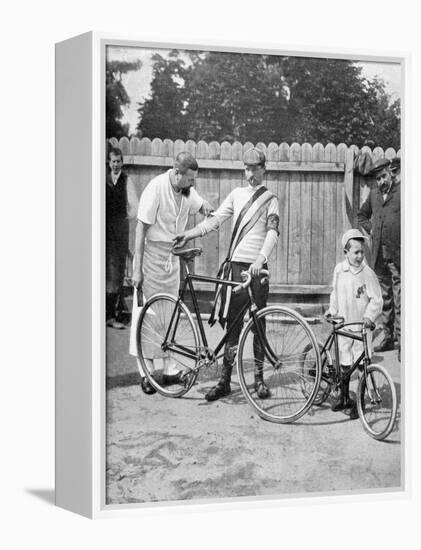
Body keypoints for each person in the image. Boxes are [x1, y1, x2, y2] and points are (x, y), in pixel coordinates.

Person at [174, 148, 279, 402]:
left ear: (264, 169)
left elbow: (273, 233)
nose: (250, 173)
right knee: (232, 326)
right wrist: (189, 234)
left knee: (259, 325)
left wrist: (260, 259)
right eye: (247, 168)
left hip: (257, 270)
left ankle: (259, 379)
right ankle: (225, 380)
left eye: (255, 168)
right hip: (235, 269)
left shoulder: (270, 199)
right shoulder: (236, 194)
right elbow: (215, 220)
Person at [129, 152, 213, 394]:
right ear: (177, 174)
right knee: (147, 315)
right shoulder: (155, 188)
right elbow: (140, 230)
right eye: (189, 179)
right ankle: (145, 372)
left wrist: (208, 208)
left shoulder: (186, 190)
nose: (193, 184)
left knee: (171, 315)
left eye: (194, 180)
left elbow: (201, 205)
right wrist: (137, 270)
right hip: (152, 257)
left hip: (173, 258)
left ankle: (169, 370)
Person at [325, 229, 383, 418]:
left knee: (361, 363)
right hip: (344, 324)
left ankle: (360, 402)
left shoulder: (367, 274)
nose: (359, 256)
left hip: (361, 326)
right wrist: (332, 310)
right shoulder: (339, 270)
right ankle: (343, 397)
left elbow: (377, 300)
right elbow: (335, 292)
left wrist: (369, 316)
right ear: (346, 253)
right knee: (345, 362)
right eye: (355, 252)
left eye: (362, 252)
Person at [357, 157, 401, 360]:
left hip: (398, 254)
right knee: (385, 298)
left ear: (390, 173)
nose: (382, 181)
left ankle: (403, 342)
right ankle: (388, 336)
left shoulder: (402, 193)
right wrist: (371, 229)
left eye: (384, 176)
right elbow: (361, 216)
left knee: (401, 298)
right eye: (378, 179)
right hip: (378, 256)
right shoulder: (374, 195)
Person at [106, 147, 139, 329]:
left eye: (119, 161)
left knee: (117, 269)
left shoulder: (127, 181)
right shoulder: (102, 179)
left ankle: (114, 315)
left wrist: (126, 216)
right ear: (109, 163)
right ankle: (106, 314)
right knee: (104, 268)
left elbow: (135, 205)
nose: (116, 164)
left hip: (119, 229)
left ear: (122, 162)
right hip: (104, 228)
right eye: (113, 161)